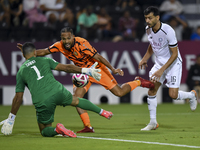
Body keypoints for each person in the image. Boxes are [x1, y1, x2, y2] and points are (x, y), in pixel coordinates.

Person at [17, 27, 154, 133]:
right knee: (77, 98)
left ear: (73, 37)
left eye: (68, 38)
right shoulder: (59, 45)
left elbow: (98, 57)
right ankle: (88, 126)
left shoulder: (82, 43)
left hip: (97, 69)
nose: (66, 41)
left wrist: (112, 69)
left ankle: (139, 82)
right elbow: (44, 52)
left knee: (119, 92)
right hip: (82, 74)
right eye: (63, 39)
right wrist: (28, 51)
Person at [0, 42, 113, 137]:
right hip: (58, 90)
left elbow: (18, 98)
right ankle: (102, 112)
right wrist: (86, 71)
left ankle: (57, 129)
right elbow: (67, 68)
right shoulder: (45, 60)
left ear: (23, 55)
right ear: (35, 52)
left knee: (44, 130)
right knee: (76, 101)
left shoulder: (21, 72)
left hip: (42, 100)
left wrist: (11, 118)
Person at [137, 6, 198, 131]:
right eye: (146, 18)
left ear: (157, 17)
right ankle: (153, 122)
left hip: (173, 63)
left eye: (150, 18)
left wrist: (161, 70)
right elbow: (151, 44)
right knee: (152, 90)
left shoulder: (168, 30)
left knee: (173, 95)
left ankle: (191, 95)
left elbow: (174, 54)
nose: (147, 21)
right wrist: (145, 58)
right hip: (159, 63)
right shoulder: (148, 29)